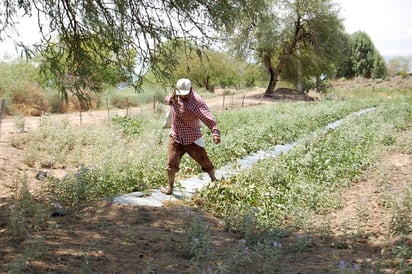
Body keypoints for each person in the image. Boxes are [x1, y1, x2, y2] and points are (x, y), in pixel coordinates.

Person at [162, 78, 221, 195]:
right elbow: (167, 100)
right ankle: (170, 187)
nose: (182, 97)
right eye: (180, 94)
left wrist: (215, 132)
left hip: (192, 138)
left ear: (191, 89)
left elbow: (207, 117)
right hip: (176, 136)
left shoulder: (197, 102)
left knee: (204, 160)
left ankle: (214, 180)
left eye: (185, 94)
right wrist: (170, 98)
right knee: (171, 163)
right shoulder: (175, 95)